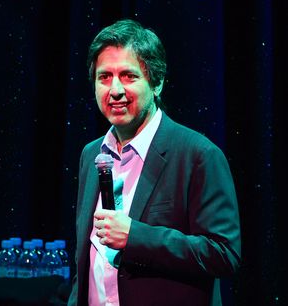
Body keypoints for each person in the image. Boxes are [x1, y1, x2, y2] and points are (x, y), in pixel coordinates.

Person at [68, 19, 241, 306]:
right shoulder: (91, 155)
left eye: (128, 76)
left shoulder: (198, 155)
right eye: (104, 77)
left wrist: (135, 236)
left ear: (157, 83)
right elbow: (87, 261)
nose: (115, 90)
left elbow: (224, 254)